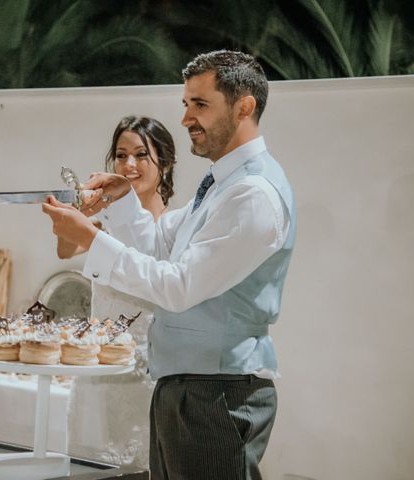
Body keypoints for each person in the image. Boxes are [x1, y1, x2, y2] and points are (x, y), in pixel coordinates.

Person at [42, 50, 296, 479]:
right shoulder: (222, 184)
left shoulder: (253, 193)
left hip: (218, 395)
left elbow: (179, 287)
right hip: (188, 389)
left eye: (200, 104)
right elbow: (159, 244)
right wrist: (120, 202)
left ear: (244, 106)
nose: (186, 119)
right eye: (185, 104)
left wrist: (91, 238)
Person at [59, 115, 176, 469]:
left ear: (166, 163)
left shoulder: (171, 228)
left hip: (145, 374)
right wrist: (78, 210)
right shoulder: (104, 223)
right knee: (88, 466)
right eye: (121, 155)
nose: (129, 165)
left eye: (141, 155)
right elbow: (65, 250)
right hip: (97, 372)